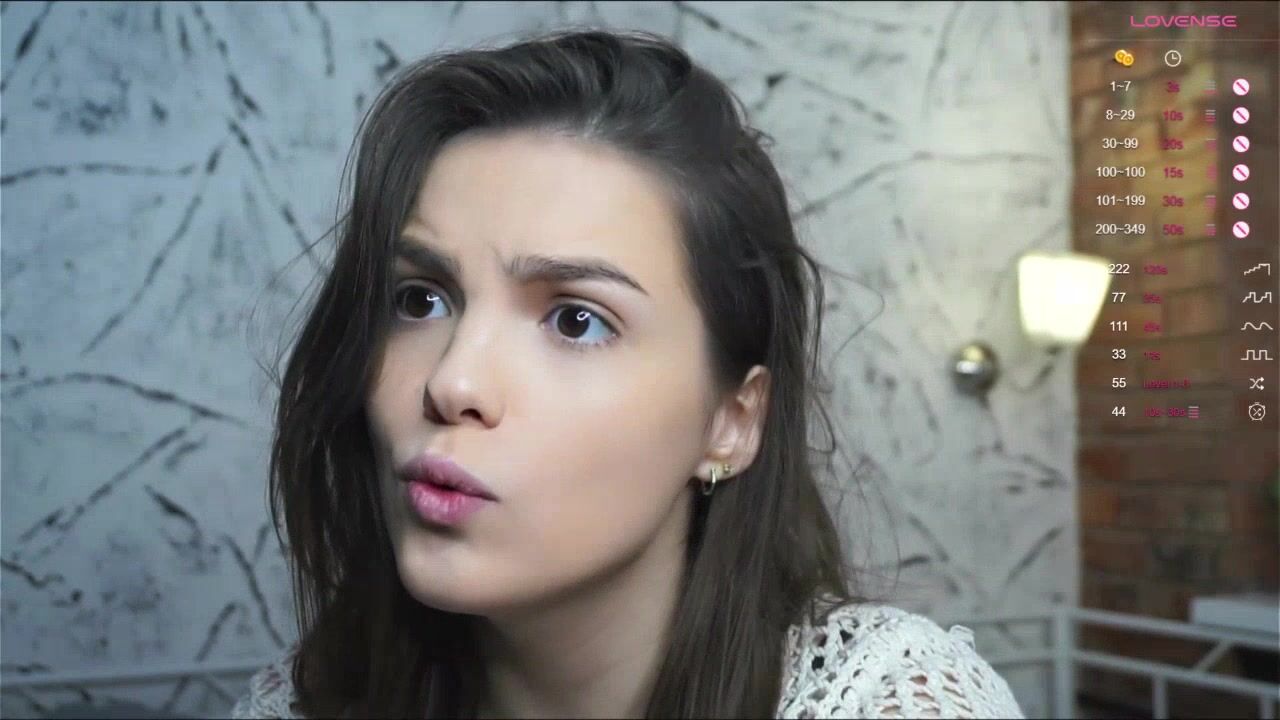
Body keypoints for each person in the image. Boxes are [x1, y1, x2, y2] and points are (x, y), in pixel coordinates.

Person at [232, 27, 1024, 719]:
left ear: (732, 421)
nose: (453, 384)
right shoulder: (304, 703)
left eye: (576, 320)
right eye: (421, 299)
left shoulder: (892, 703)